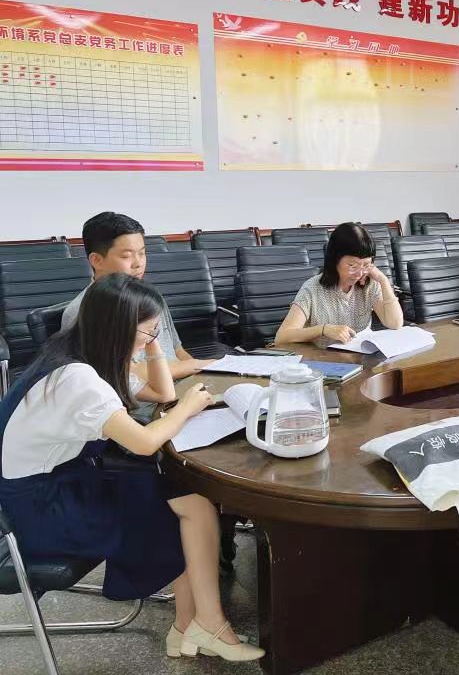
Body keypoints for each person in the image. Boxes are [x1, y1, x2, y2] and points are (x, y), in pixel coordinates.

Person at [0, 274, 263, 661]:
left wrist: (151, 342)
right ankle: (202, 626)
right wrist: (190, 408)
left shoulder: (82, 351)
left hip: (58, 482)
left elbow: (163, 393)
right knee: (175, 502)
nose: (152, 338)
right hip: (38, 512)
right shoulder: (77, 379)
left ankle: (193, 626)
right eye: (148, 331)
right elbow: (143, 441)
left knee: (183, 494)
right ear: (117, 328)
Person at [60, 212, 217, 419]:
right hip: (143, 411)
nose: (138, 263)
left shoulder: (147, 296)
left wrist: (202, 377)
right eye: (127, 256)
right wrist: (197, 365)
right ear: (97, 260)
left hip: (180, 392)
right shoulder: (84, 312)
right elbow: (123, 374)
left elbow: (177, 350)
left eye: (142, 253)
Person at [275, 222, 403, 346]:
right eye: (352, 265)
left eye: (366, 265)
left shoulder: (369, 284)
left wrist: (383, 280)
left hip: (361, 356)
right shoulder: (312, 289)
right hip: (324, 357)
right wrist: (323, 329)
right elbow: (281, 337)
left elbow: (395, 323)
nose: (359, 273)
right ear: (334, 260)